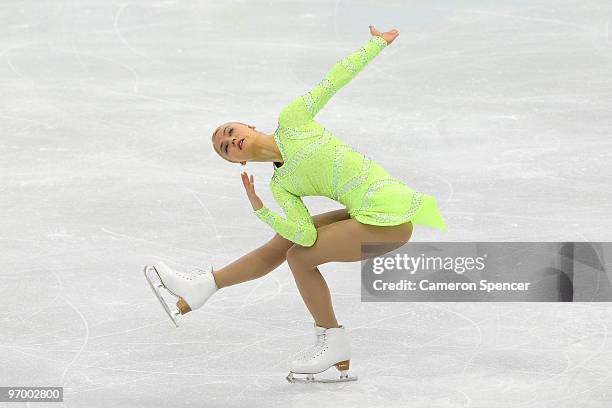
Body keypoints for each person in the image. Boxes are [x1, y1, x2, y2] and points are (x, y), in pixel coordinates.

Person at [144, 25, 447, 383]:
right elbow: (302, 233)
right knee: (287, 245)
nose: (230, 141)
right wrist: (262, 209)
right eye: (224, 148)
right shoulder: (282, 184)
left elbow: (334, 80)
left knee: (299, 259)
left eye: (230, 132)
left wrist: (376, 44)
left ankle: (332, 340)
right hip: (368, 216)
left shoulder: (293, 121)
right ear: (236, 163)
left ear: (249, 126)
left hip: (391, 218)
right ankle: (206, 286)